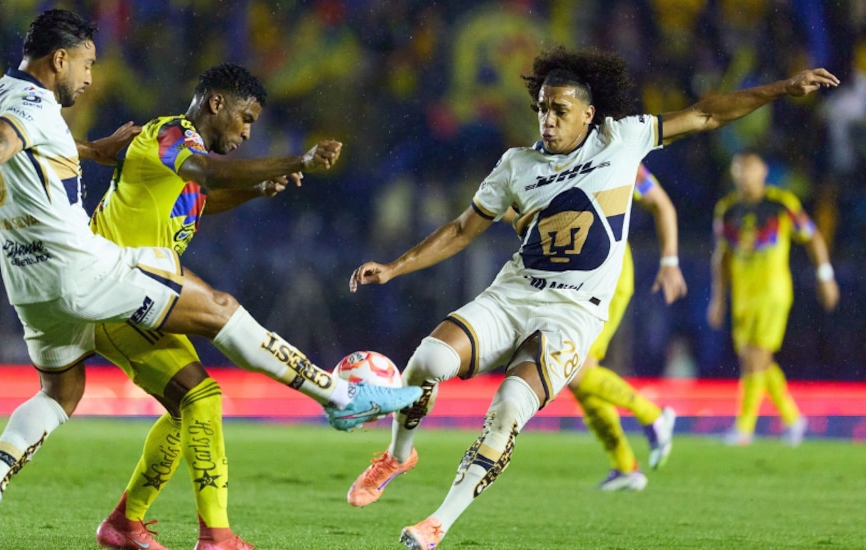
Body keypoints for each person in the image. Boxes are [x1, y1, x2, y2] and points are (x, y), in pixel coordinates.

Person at [0, 10, 420, 550]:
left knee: (64, 392)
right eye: (86, 63)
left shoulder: (1, 96)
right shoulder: (170, 134)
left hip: (31, 281)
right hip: (89, 269)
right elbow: (0, 145)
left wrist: (95, 152)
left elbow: (27, 142)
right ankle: (339, 397)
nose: (89, 76)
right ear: (59, 58)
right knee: (220, 310)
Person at [343, 45, 838, 549]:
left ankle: (437, 525)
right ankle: (399, 455)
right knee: (427, 358)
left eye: (559, 110)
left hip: (573, 314)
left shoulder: (621, 138)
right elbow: (462, 228)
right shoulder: (516, 163)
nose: (547, 120)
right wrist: (395, 266)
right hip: (513, 294)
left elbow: (706, 113)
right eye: (541, 109)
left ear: (588, 113)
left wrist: (782, 88)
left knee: (509, 408)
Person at [90, 63, 344, 550]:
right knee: (201, 396)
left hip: (143, 294)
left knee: (191, 407)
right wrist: (299, 161)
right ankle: (216, 537)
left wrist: (253, 191)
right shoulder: (170, 135)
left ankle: (125, 525)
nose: (248, 132)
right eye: (246, 119)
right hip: (114, 291)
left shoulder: (185, 156)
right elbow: (207, 175)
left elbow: (197, 196)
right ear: (216, 104)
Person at [563, 164, 684, 491]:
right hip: (576, 276)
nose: (550, 119)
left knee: (573, 371)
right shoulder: (551, 153)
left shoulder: (619, 153)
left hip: (607, 273)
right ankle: (625, 466)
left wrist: (670, 261)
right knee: (578, 376)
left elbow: (661, 203)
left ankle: (653, 415)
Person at [707, 150, 839, 447]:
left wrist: (825, 275)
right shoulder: (727, 209)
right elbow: (722, 257)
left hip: (773, 293)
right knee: (757, 361)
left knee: (755, 356)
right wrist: (718, 298)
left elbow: (813, 236)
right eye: (739, 169)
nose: (744, 175)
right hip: (743, 297)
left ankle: (744, 428)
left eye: (750, 169)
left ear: (763, 171)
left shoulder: (781, 205)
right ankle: (793, 419)